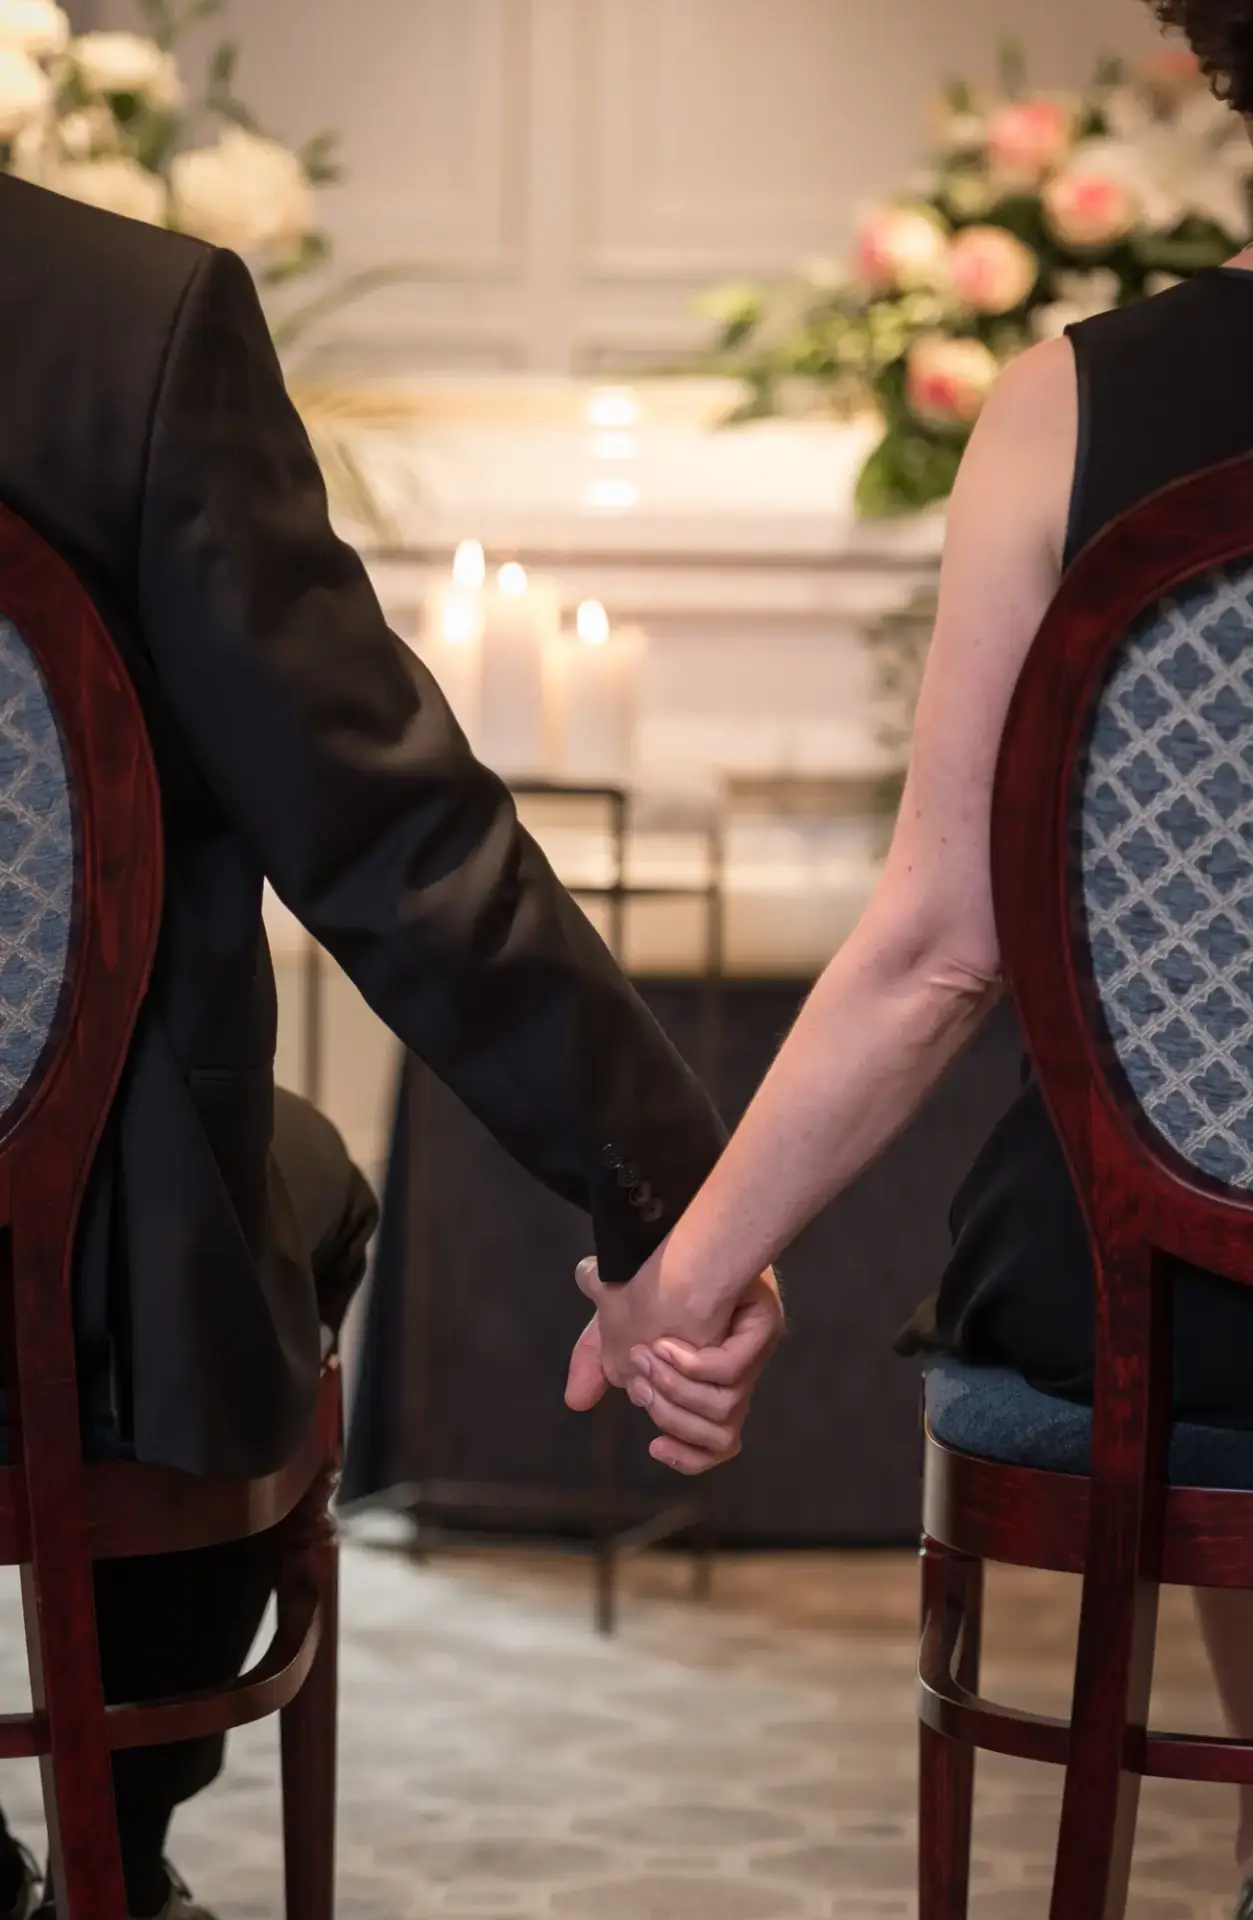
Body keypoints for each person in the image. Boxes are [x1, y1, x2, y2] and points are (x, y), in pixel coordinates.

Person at [0, 173, 782, 1920]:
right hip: (59, 1291)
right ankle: (116, 1859)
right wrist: (682, 1200)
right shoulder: (114, 319)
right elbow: (386, 838)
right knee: (286, 1184)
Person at [567, 6, 1253, 1912]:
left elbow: (941, 945)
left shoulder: (1075, 405)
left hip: (1162, 1305)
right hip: (1195, 1307)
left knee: (1221, 1283)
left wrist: (688, 1274)